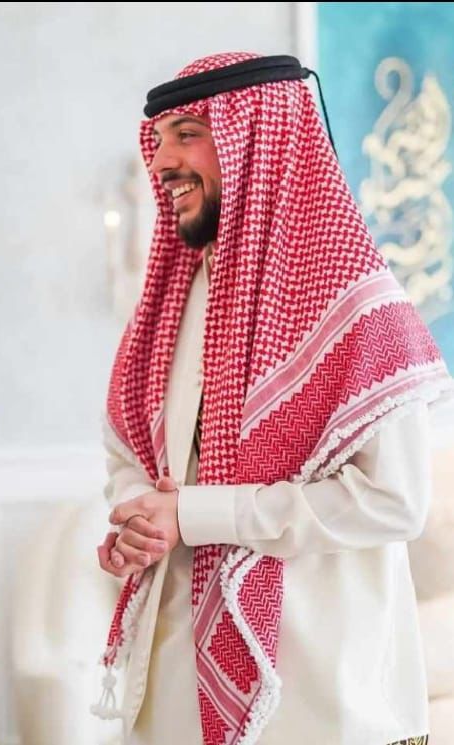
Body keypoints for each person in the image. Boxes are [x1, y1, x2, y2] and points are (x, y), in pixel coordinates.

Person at [93, 52, 453, 745]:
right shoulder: (169, 302)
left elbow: (394, 501)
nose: (161, 161)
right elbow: (129, 452)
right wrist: (141, 517)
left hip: (326, 708)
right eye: (158, 138)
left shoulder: (360, 312)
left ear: (262, 141)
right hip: (170, 702)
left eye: (188, 133)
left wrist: (193, 514)